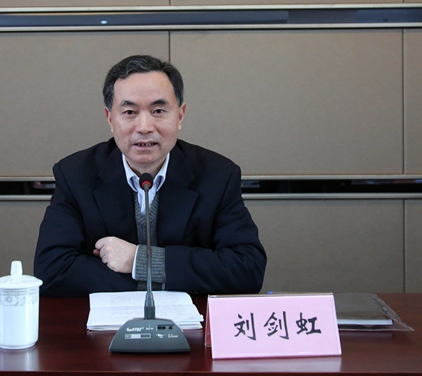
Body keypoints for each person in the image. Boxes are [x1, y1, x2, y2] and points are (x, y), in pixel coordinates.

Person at [34, 55, 266, 296]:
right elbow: (52, 270)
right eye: (129, 112)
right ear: (110, 118)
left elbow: (247, 269)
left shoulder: (218, 175)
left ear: (180, 116)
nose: (144, 127)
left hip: (192, 319)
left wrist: (140, 261)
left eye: (158, 111)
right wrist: (167, 279)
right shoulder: (75, 174)